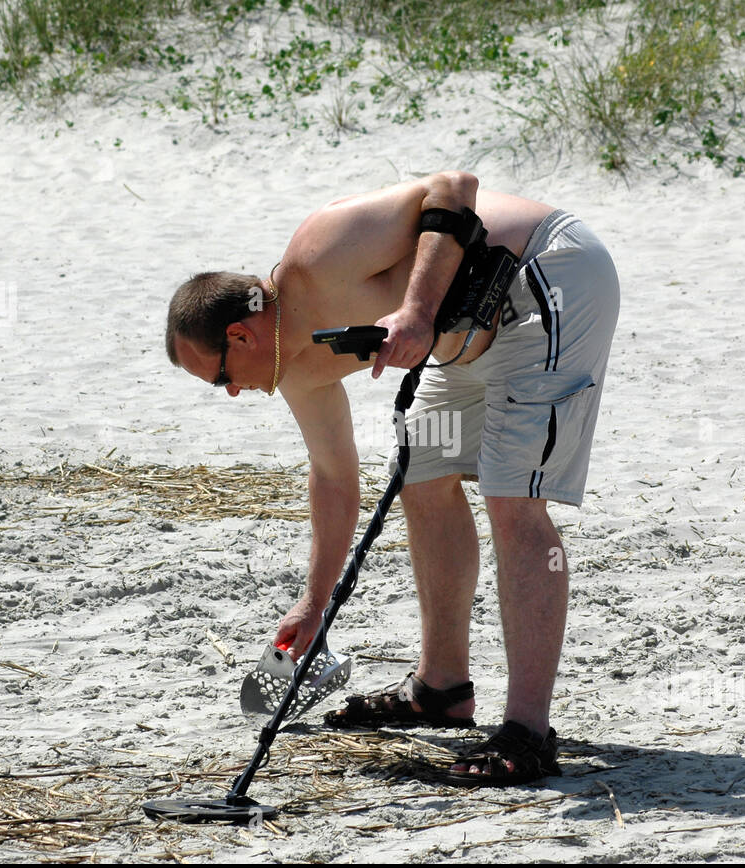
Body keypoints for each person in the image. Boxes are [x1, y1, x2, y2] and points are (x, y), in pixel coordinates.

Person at [165, 171, 619, 785]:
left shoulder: (316, 254)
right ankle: (441, 689)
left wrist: (417, 311)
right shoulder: (296, 371)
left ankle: (528, 733)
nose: (233, 392)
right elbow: (333, 477)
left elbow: (455, 187)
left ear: (240, 334)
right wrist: (314, 600)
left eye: (221, 377)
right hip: (463, 330)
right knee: (421, 472)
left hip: (548, 279)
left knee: (512, 496)